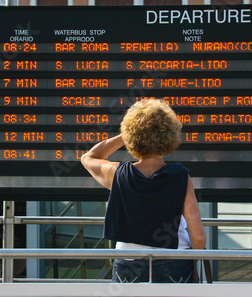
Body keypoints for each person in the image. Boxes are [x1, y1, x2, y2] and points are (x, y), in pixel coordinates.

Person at [81, 99, 206, 283]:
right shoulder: (180, 176)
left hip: (128, 262)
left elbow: (88, 157)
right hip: (174, 262)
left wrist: (128, 134)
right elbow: (198, 236)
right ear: (170, 136)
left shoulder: (117, 174)